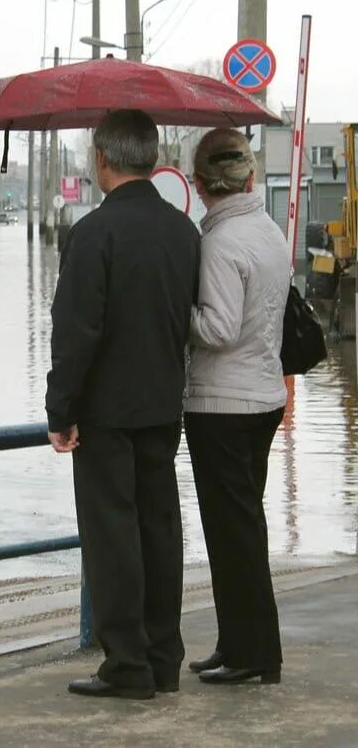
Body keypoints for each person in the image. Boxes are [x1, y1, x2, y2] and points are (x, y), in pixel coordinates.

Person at [46, 109, 200, 699]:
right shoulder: (183, 233)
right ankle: (163, 661)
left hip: (106, 414)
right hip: (165, 407)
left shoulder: (93, 234)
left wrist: (61, 412)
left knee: (113, 537)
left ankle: (126, 668)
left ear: (102, 159)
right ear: (153, 159)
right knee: (161, 533)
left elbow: (76, 332)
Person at [184, 128, 290, 685]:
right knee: (242, 527)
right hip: (264, 396)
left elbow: (218, 330)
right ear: (249, 178)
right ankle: (237, 643)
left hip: (223, 403)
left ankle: (255, 656)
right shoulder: (269, 230)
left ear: (201, 186)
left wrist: (180, 314)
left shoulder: (221, 244)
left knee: (233, 533)